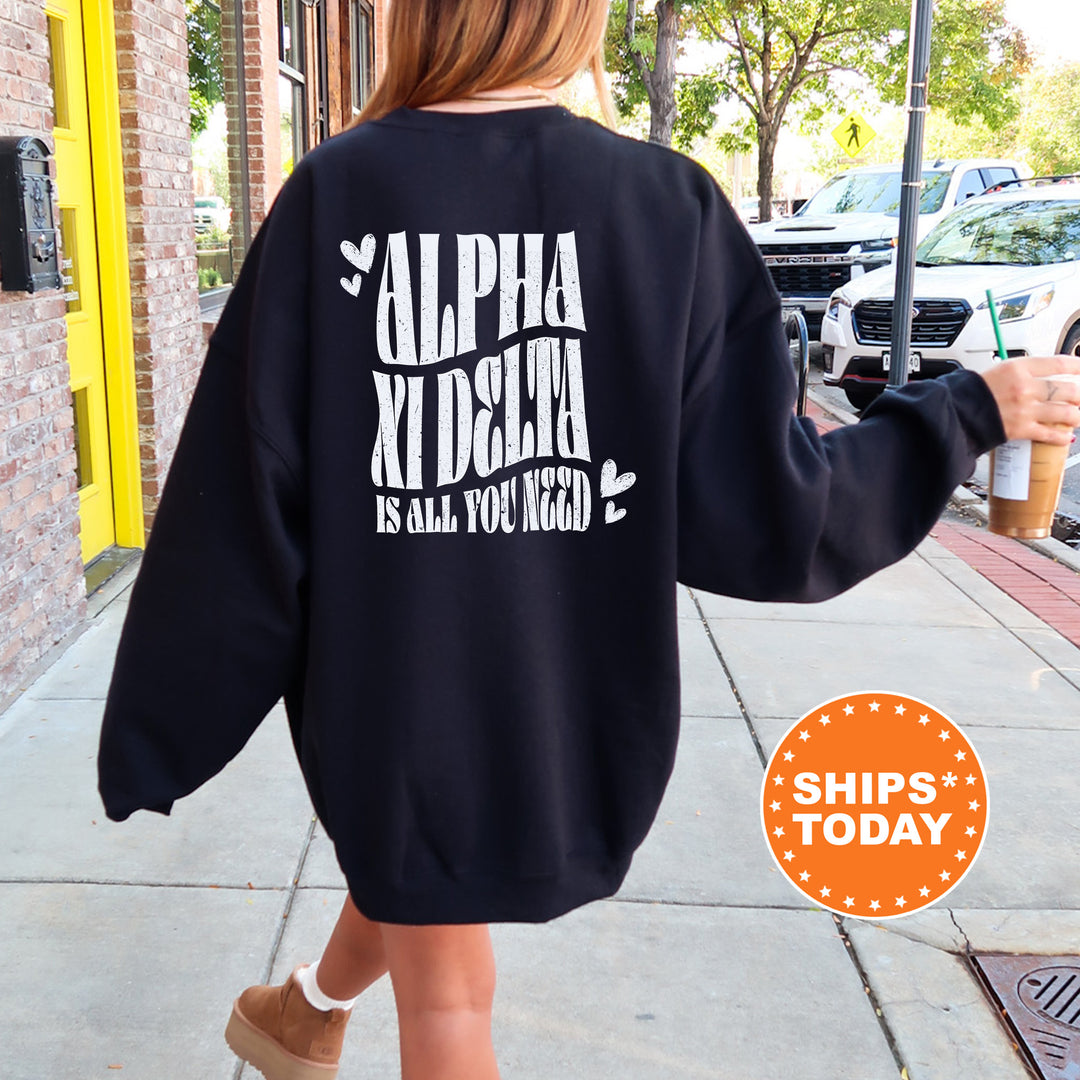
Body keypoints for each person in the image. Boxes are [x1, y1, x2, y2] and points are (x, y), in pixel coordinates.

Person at [96, 1, 1080, 1078]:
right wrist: (965, 410)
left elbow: (243, 502)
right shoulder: (667, 210)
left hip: (394, 694)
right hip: (570, 698)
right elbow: (773, 512)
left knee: (428, 874)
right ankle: (302, 1018)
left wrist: (168, 719)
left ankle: (301, 1013)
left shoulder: (336, 194)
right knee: (454, 991)